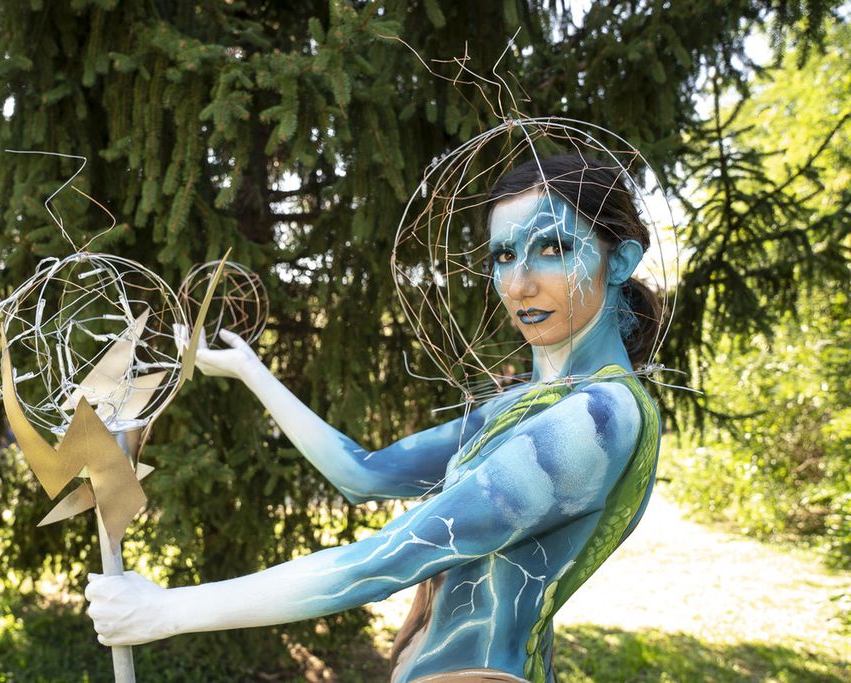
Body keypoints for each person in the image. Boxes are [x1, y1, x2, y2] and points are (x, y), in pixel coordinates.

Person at [86, 153, 662, 683]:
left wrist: (165, 611)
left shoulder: (598, 417)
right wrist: (249, 371)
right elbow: (363, 475)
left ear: (621, 260)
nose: (518, 283)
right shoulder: (527, 405)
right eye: (504, 256)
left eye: (554, 249)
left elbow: (389, 558)